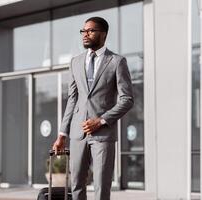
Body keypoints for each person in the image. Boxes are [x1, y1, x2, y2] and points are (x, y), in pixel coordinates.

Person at [52, 16, 134, 200]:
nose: (85, 34)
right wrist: (62, 135)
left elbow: (127, 99)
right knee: (77, 185)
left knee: (101, 186)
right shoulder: (75, 61)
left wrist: (101, 120)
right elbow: (72, 99)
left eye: (90, 30)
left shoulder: (117, 62)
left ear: (103, 34)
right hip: (77, 134)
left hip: (103, 134)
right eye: (83, 31)